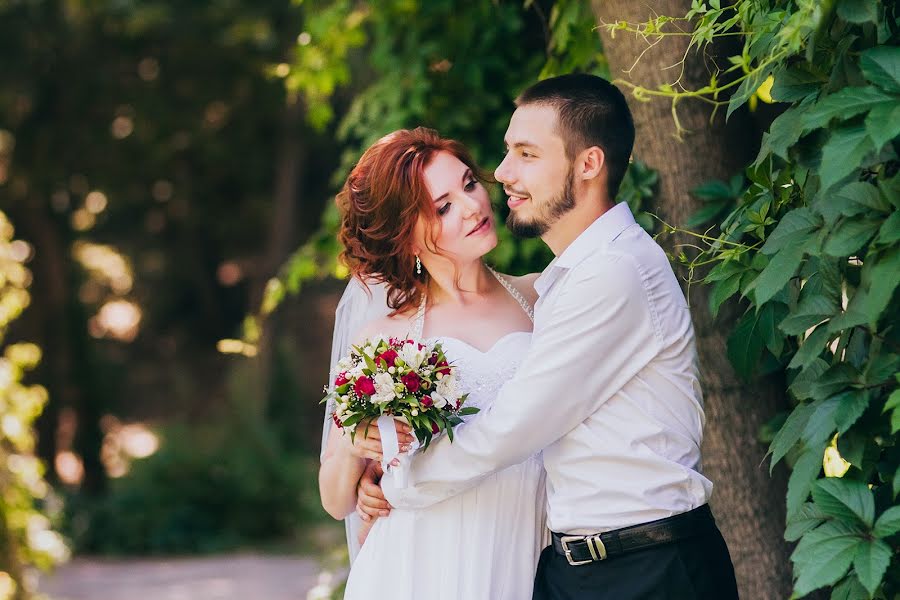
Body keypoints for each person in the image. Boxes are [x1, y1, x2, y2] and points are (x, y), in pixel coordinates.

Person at [366, 74, 739, 599]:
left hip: (650, 570)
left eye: (526, 154)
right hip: (575, 567)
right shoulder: (565, 278)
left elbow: (515, 427)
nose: (502, 174)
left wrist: (398, 478)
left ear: (588, 164)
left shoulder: (614, 271)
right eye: (505, 153)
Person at [318, 126, 548, 600]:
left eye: (468, 184)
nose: (471, 207)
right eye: (442, 207)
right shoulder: (385, 339)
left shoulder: (541, 295)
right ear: (407, 237)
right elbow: (334, 499)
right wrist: (357, 446)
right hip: (421, 564)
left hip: (527, 548)